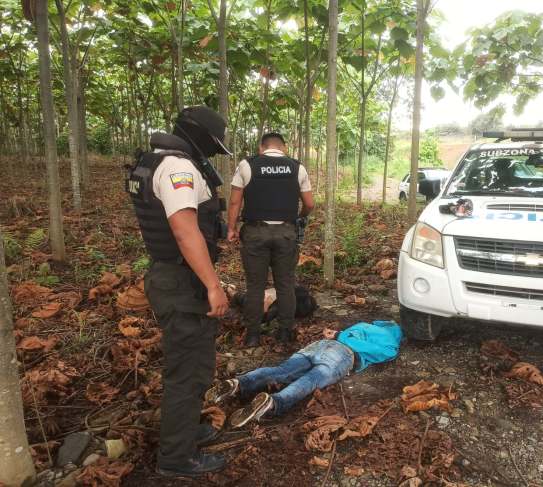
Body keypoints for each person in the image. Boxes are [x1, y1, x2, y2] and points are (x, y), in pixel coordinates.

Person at [126, 105, 231, 477]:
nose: (214, 154)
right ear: (200, 137)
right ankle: (176, 458)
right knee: (189, 371)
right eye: (214, 146)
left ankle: (184, 434)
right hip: (182, 281)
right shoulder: (178, 168)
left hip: (170, 275)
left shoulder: (152, 161)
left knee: (192, 365)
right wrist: (213, 286)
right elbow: (186, 231)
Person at [207, 321, 402, 426]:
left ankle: (239, 383)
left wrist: (338, 335)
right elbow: (388, 352)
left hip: (319, 346)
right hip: (342, 354)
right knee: (312, 379)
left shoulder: (362, 325)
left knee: (282, 370)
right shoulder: (390, 340)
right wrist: (342, 337)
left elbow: (342, 335)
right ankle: (274, 403)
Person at [226, 133, 314, 348]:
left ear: (261, 148)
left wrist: (231, 228)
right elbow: (310, 204)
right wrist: (299, 217)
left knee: (255, 286)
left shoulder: (247, 165)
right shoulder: (297, 167)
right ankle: (285, 332)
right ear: (283, 148)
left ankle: (253, 335)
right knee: (285, 284)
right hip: (286, 233)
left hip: (255, 233)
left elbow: (235, 202)